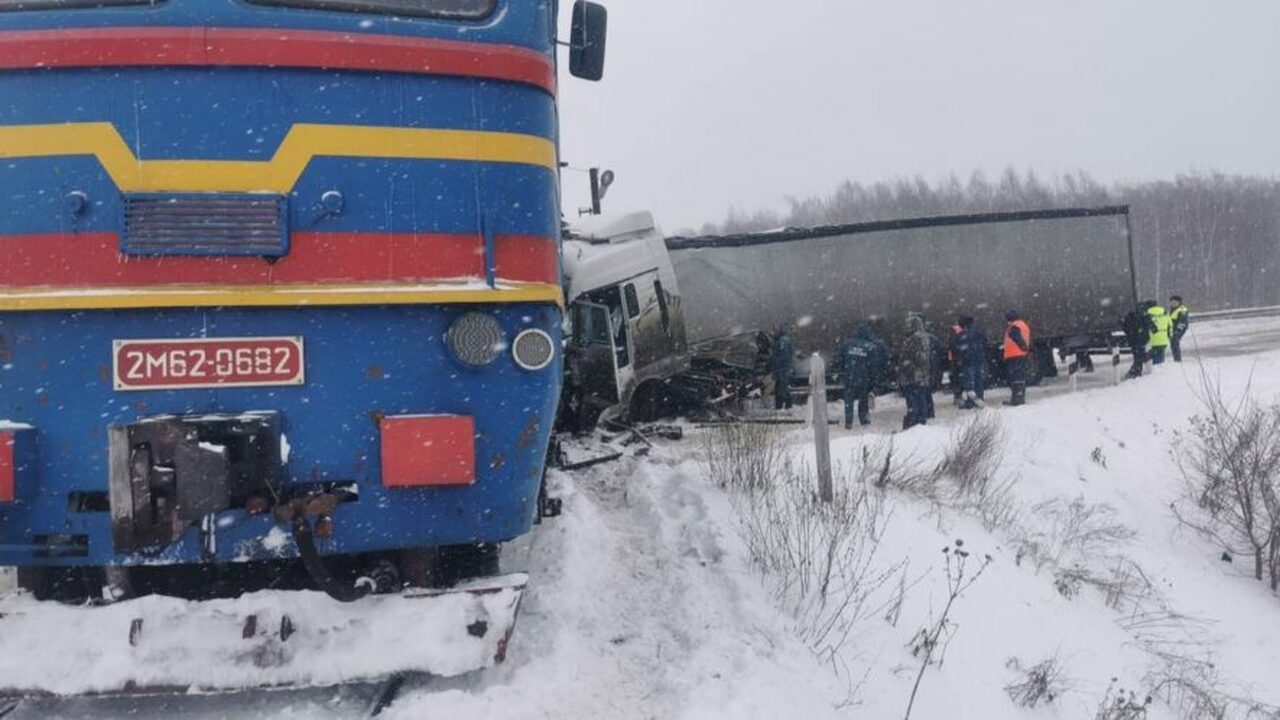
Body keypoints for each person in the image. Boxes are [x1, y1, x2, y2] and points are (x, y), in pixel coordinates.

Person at [834, 324, 886, 429]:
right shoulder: (870, 347)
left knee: (849, 400)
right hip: (864, 378)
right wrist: (875, 380)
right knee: (863, 400)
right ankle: (864, 420)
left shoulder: (847, 344)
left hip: (850, 376)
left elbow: (839, 360)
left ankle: (848, 422)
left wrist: (840, 372)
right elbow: (874, 366)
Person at [897, 315, 934, 429]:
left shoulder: (913, 339)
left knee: (913, 401)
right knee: (921, 398)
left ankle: (915, 422)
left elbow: (908, 356)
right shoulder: (925, 338)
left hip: (912, 375)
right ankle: (922, 420)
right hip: (922, 375)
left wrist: (905, 365)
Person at [954, 315, 988, 409]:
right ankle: (980, 399)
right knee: (978, 380)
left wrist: (960, 360)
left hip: (968, 362)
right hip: (979, 360)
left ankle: (971, 401)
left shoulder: (961, 335)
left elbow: (959, 349)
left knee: (969, 383)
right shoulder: (979, 332)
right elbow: (985, 344)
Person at [1003, 310, 1031, 406]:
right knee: (1020, 376)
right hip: (1020, 355)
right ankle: (1019, 397)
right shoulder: (1023, 325)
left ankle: (1016, 399)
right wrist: (1026, 349)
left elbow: (1017, 338)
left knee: (1016, 377)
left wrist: (1023, 347)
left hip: (1015, 355)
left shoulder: (1013, 327)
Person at [1121, 303, 1151, 379]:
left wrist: (1129, 333)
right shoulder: (1145, 316)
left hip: (1134, 339)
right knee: (1139, 355)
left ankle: (1136, 371)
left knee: (1137, 355)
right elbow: (1149, 327)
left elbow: (1125, 327)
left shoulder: (1130, 316)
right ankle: (1137, 370)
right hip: (1141, 339)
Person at [770, 325, 795, 410]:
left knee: (781, 387)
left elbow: (782, 356)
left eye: (775, 330)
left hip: (782, 368)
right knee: (782, 387)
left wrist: (777, 368)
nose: (773, 332)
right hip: (782, 368)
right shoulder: (782, 340)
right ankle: (784, 405)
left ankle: (782, 405)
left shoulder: (783, 341)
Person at [948, 319, 965, 406]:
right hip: (957, 359)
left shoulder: (955, 330)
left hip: (955, 358)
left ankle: (958, 396)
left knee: (957, 377)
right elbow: (954, 345)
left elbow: (952, 344)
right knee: (958, 378)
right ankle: (958, 396)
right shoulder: (958, 330)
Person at [1169, 295, 1190, 362]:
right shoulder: (1173, 309)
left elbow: (1183, 321)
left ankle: (1177, 359)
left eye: (1174, 302)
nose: (1172, 304)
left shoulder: (1182, 309)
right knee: (1173, 344)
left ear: (1179, 302)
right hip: (1173, 329)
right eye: (1171, 302)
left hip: (1179, 329)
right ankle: (1176, 359)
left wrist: (1178, 330)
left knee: (1174, 343)